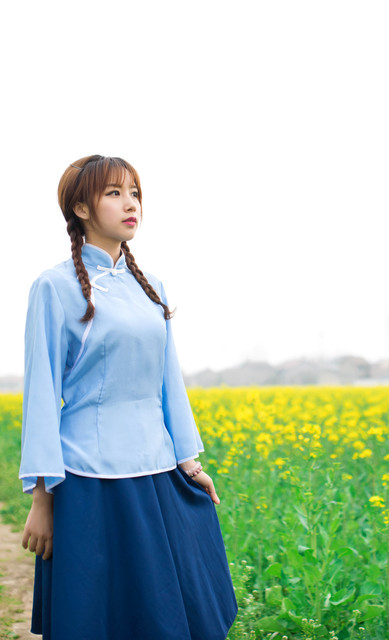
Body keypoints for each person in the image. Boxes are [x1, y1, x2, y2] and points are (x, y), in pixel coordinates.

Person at [19, 155, 238, 639]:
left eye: (134, 192)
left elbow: (167, 382)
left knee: (171, 608)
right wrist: (41, 495)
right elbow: (41, 393)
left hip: (156, 470)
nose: (130, 203)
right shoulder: (54, 287)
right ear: (81, 207)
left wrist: (190, 463)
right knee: (99, 615)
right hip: (88, 476)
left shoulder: (150, 286)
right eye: (114, 193)